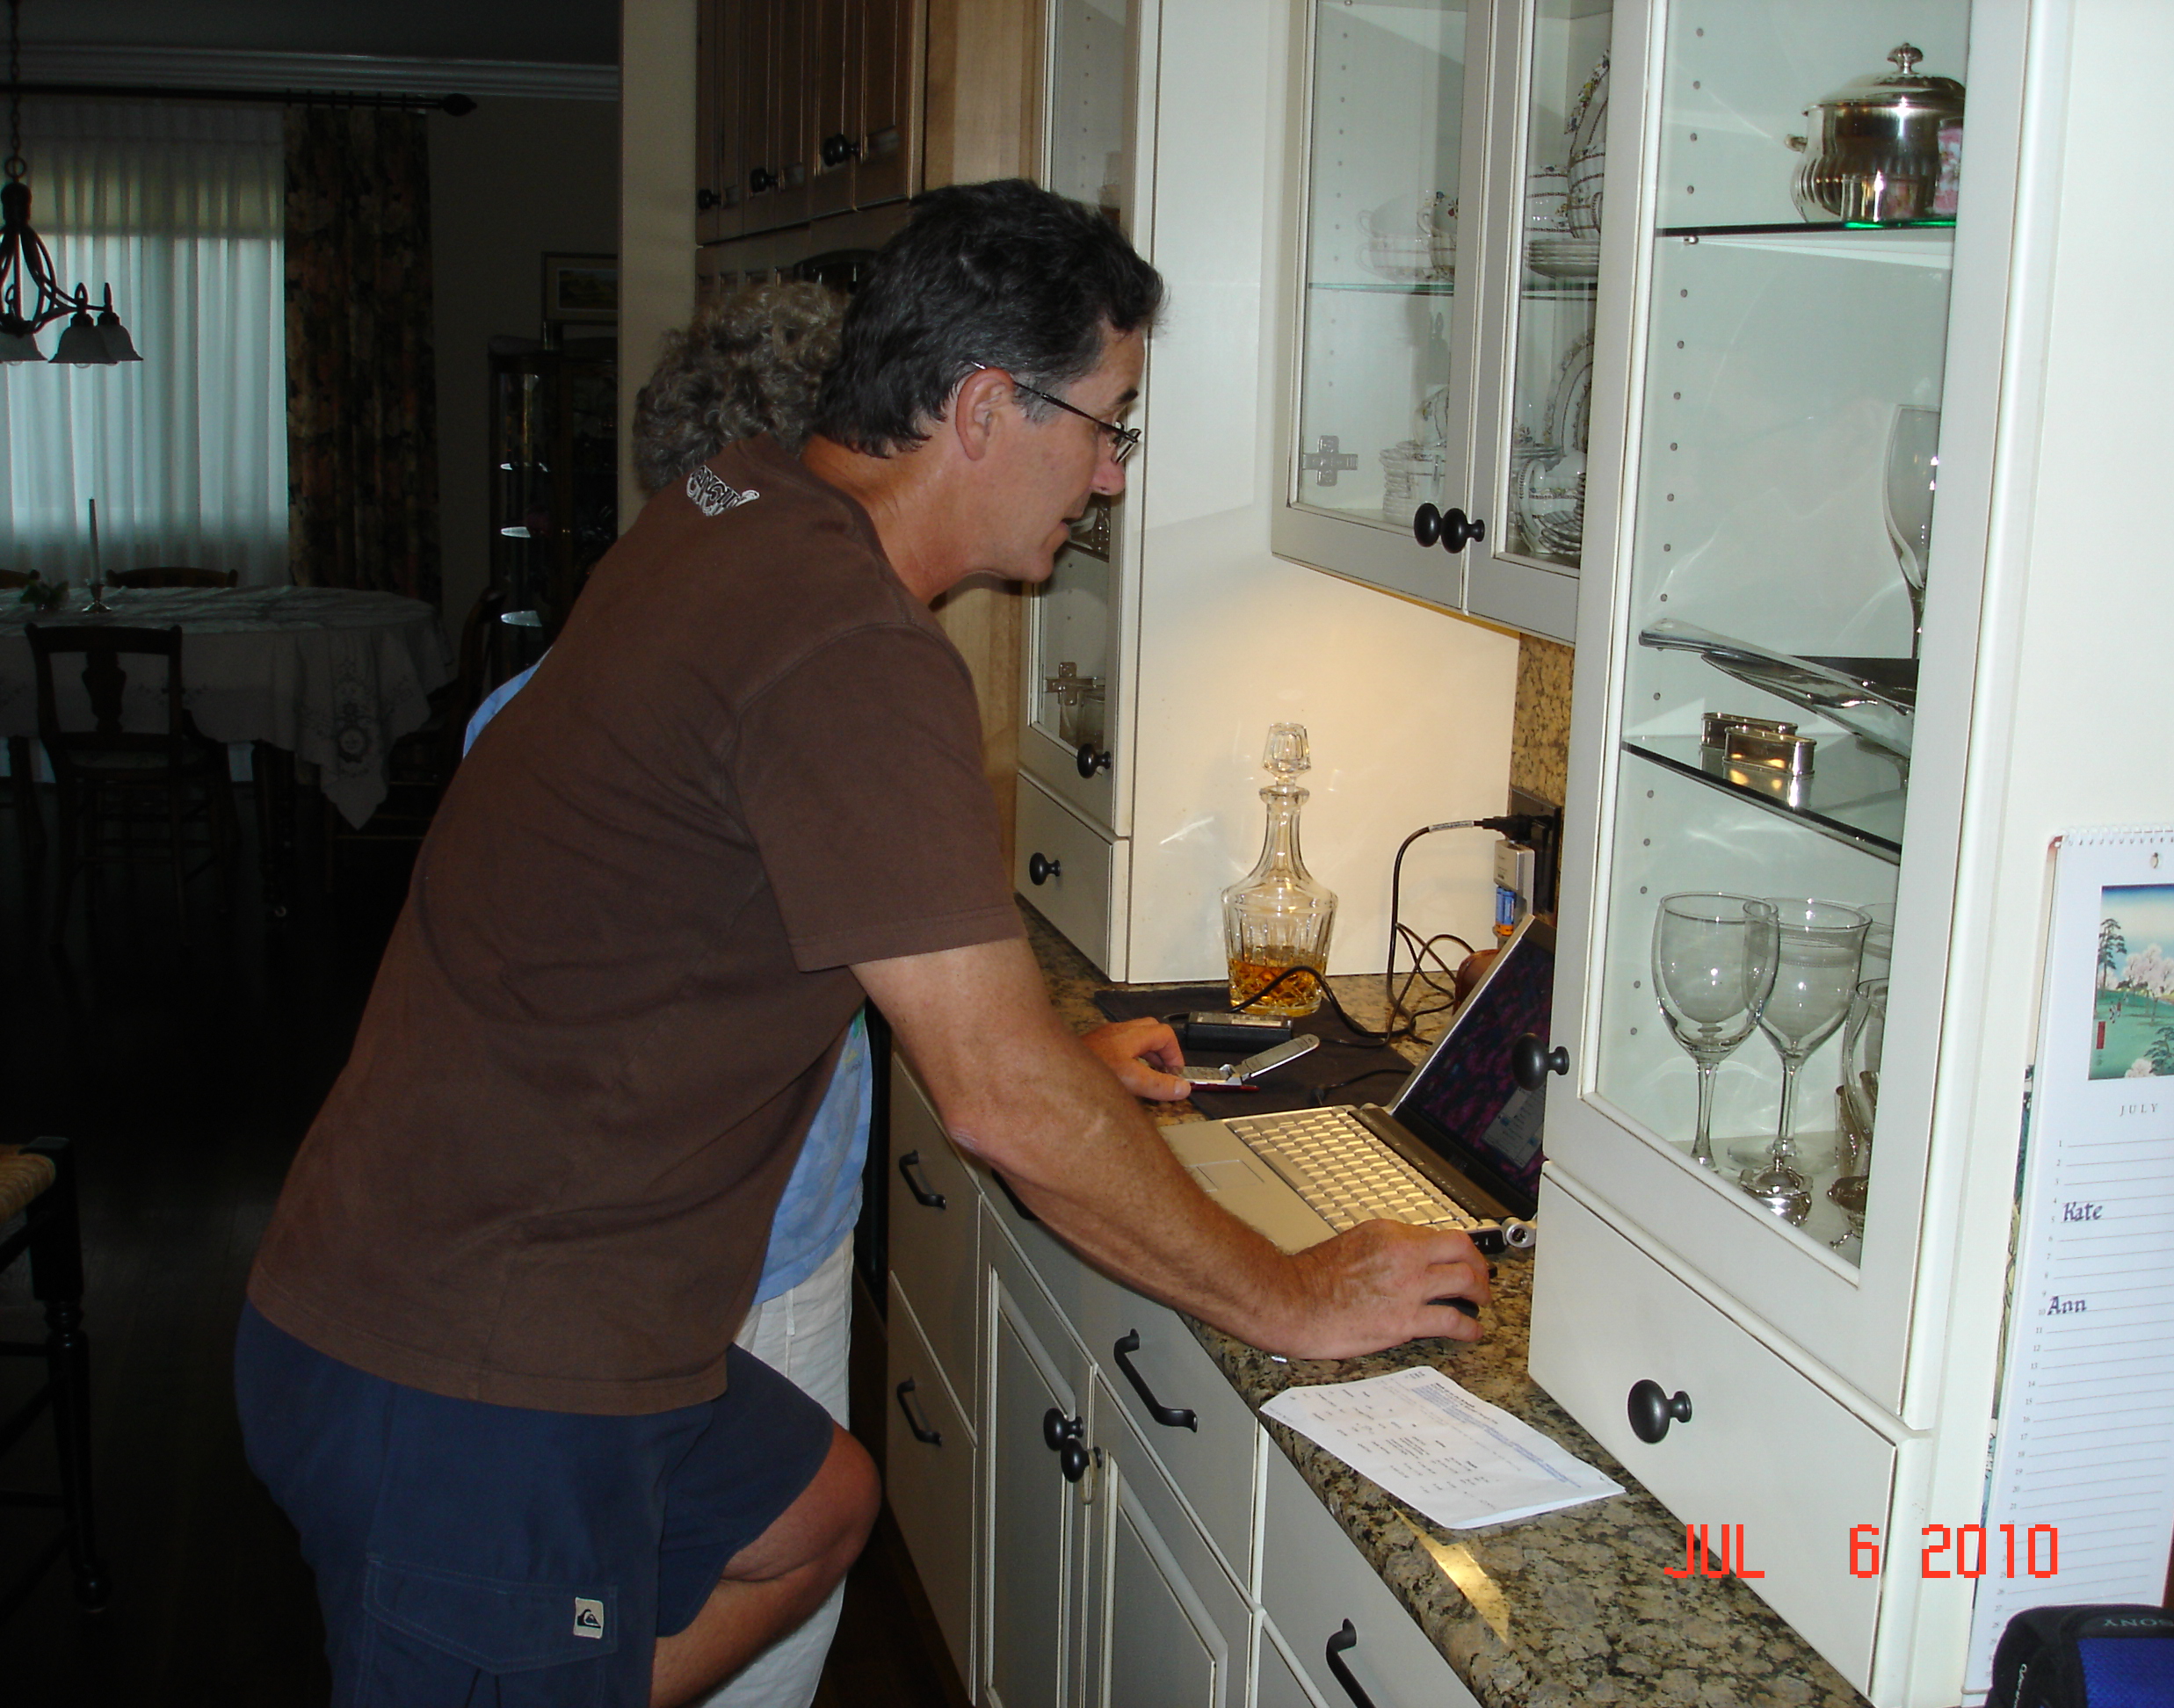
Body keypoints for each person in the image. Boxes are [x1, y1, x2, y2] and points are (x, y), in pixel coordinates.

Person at [237, 178, 1486, 1708]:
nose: (1109, 473)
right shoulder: (850, 642)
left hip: (436, 1282)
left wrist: (1040, 1051)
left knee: (820, 1514)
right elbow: (999, 1102)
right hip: (477, 1376)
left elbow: (747, 908)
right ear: (984, 406)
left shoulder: (737, 504)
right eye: (1108, 424)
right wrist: (1292, 1295)